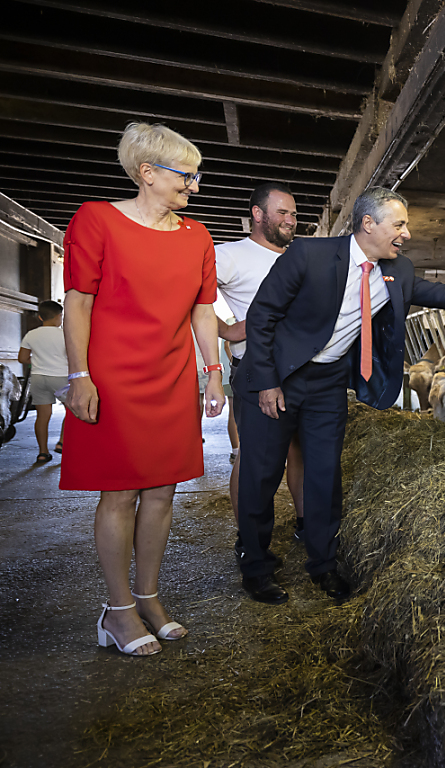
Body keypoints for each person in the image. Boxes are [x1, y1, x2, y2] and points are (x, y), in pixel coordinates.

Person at [234, 186, 445, 604]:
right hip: (278, 376)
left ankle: (323, 565)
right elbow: (261, 316)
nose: (406, 234)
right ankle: (256, 566)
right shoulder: (309, 255)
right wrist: (266, 382)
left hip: (327, 384)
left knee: (324, 475)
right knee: (261, 474)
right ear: (368, 224)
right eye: (399, 224)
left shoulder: (396, 270)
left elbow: (442, 293)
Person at [61, 122, 225, 657]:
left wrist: (213, 371)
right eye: (186, 175)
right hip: (112, 376)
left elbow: (204, 310)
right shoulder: (97, 220)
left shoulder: (197, 236)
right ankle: (117, 610)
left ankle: (149, 598)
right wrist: (79, 375)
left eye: (196, 176)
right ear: (147, 172)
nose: (194, 186)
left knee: (162, 491)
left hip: (172, 376)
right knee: (120, 491)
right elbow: (78, 302)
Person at [215, 183, 304, 545]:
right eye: (282, 212)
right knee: (254, 456)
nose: (290, 220)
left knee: (301, 450)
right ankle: (249, 538)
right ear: (257, 214)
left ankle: (304, 524)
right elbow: (184, 296)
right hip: (257, 368)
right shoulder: (229, 255)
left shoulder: (298, 256)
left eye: (294, 214)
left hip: (301, 368)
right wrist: (227, 330)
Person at [18, 299, 68, 462]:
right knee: (72, 411)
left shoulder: (31, 334)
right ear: (59, 316)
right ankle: (61, 442)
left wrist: (38, 362)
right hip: (61, 378)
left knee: (42, 416)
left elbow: (22, 358)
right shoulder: (65, 334)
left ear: (40, 317)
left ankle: (43, 453)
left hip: (38, 378)